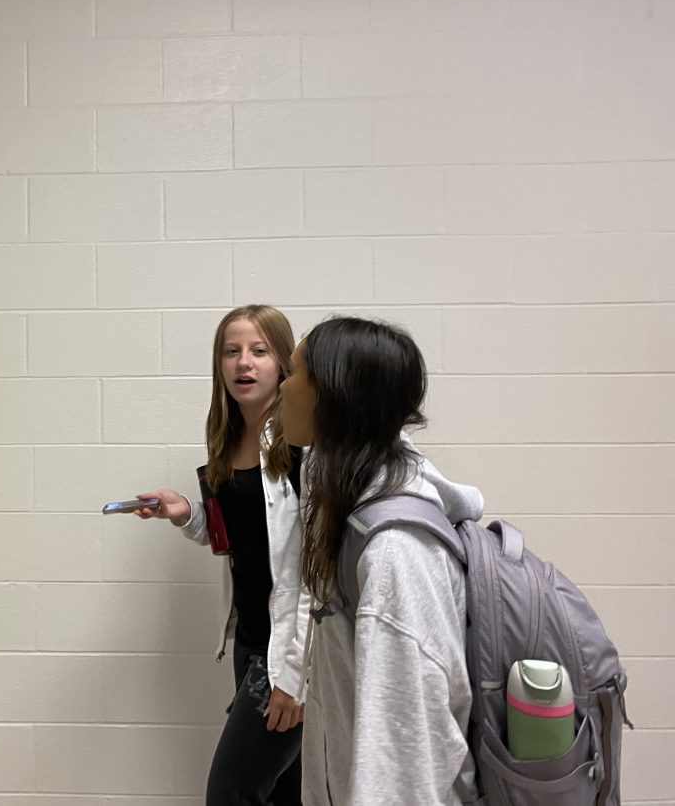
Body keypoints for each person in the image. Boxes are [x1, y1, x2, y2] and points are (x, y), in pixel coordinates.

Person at [278, 316, 482, 806]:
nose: (283, 387)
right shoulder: (343, 483)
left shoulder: (395, 553)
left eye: (295, 373)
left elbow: (406, 766)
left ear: (335, 394)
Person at [136, 304, 310, 805]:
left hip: (287, 652)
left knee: (230, 791)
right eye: (231, 352)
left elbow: (315, 571)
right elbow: (235, 538)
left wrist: (294, 675)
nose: (244, 363)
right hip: (249, 644)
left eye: (259, 351)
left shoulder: (299, 445)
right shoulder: (227, 436)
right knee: (283, 794)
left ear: (282, 362)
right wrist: (185, 512)